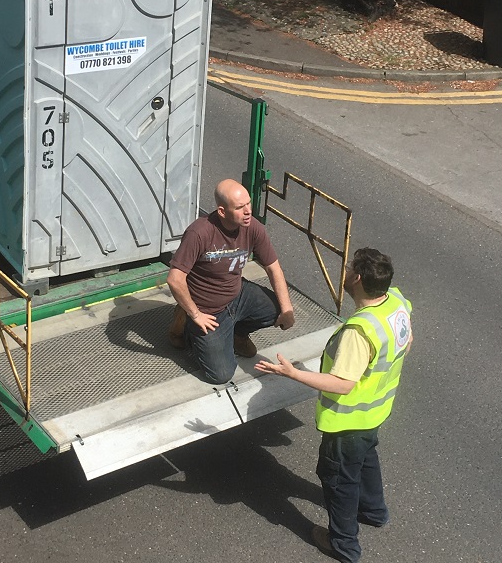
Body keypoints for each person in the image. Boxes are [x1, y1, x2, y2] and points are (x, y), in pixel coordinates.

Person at [255, 247, 412, 563]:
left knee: (340, 480)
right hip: (375, 411)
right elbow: (407, 340)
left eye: (349, 267)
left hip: (347, 423)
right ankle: (374, 511)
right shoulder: (395, 302)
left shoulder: (359, 331)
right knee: (367, 460)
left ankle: (343, 544)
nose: (345, 271)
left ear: (356, 279)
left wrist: (293, 373)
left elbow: (343, 384)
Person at [167, 178, 294, 384]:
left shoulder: (253, 227)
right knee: (220, 375)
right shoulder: (199, 233)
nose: (248, 211)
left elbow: (273, 268)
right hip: (207, 308)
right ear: (222, 211)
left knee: (278, 308)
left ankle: (237, 334)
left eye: (248, 204)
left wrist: (287, 310)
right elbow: (175, 279)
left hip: (237, 294)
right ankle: (184, 321)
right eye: (239, 207)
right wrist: (196, 314)